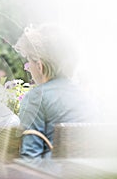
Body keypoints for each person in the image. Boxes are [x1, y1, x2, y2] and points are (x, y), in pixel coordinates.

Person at [13, 24, 99, 162]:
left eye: (29, 61)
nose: (28, 68)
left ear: (40, 66)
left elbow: (30, 161)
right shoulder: (86, 96)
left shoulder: (36, 98)